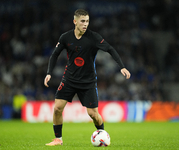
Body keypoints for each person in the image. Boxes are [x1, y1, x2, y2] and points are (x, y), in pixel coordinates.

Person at [44, 9, 131, 146]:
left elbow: (110, 49)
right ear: (75, 21)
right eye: (82, 21)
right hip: (69, 79)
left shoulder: (94, 37)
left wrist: (122, 66)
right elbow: (54, 54)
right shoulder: (66, 37)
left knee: (93, 114)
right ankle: (58, 139)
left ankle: (102, 134)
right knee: (57, 108)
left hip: (88, 82)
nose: (85, 24)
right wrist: (49, 72)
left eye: (87, 21)